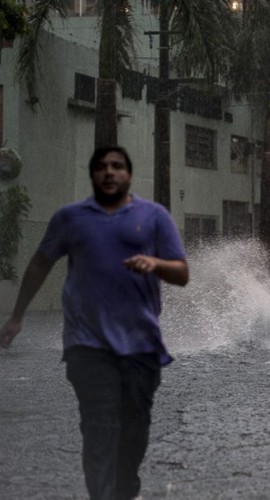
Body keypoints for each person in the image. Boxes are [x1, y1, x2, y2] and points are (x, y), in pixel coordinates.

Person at [0, 146, 189, 500]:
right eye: (101, 166)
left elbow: (181, 273)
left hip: (141, 347)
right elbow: (41, 263)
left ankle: (125, 487)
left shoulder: (154, 217)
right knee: (99, 429)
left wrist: (155, 264)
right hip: (86, 346)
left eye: (117, 166)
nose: (109, 172)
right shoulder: (70, 218)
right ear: (92, 175)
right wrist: (17, 316)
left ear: (128, 175)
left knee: (133, 433)